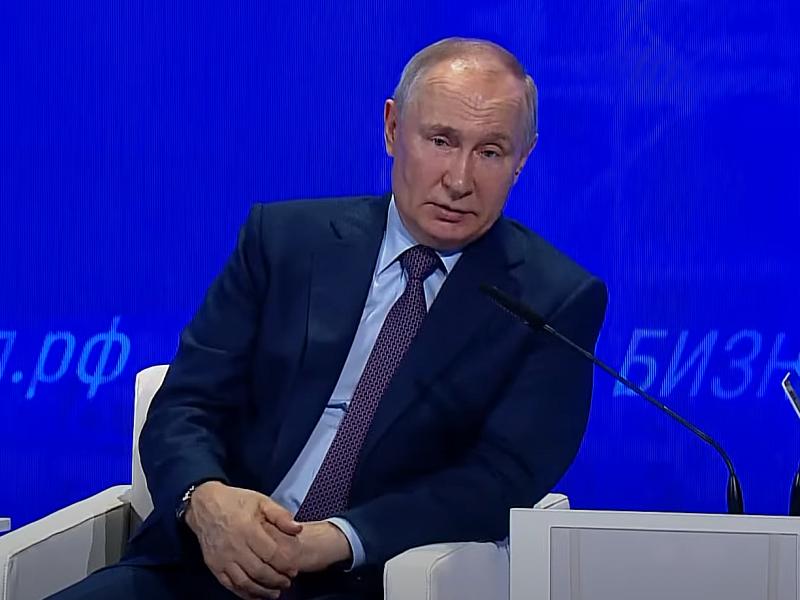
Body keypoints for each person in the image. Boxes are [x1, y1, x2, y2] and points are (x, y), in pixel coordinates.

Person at [51, 37, 607, 600]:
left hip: (367, 581)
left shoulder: (552, 300)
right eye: (441, 141)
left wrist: (336, 538)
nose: (460, 180)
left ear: (523, 158)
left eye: (490, 152)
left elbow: (500, 477)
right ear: (392, 128)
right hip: (202, 563)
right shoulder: (284, 242)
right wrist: (206, 500)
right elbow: (185, 403)